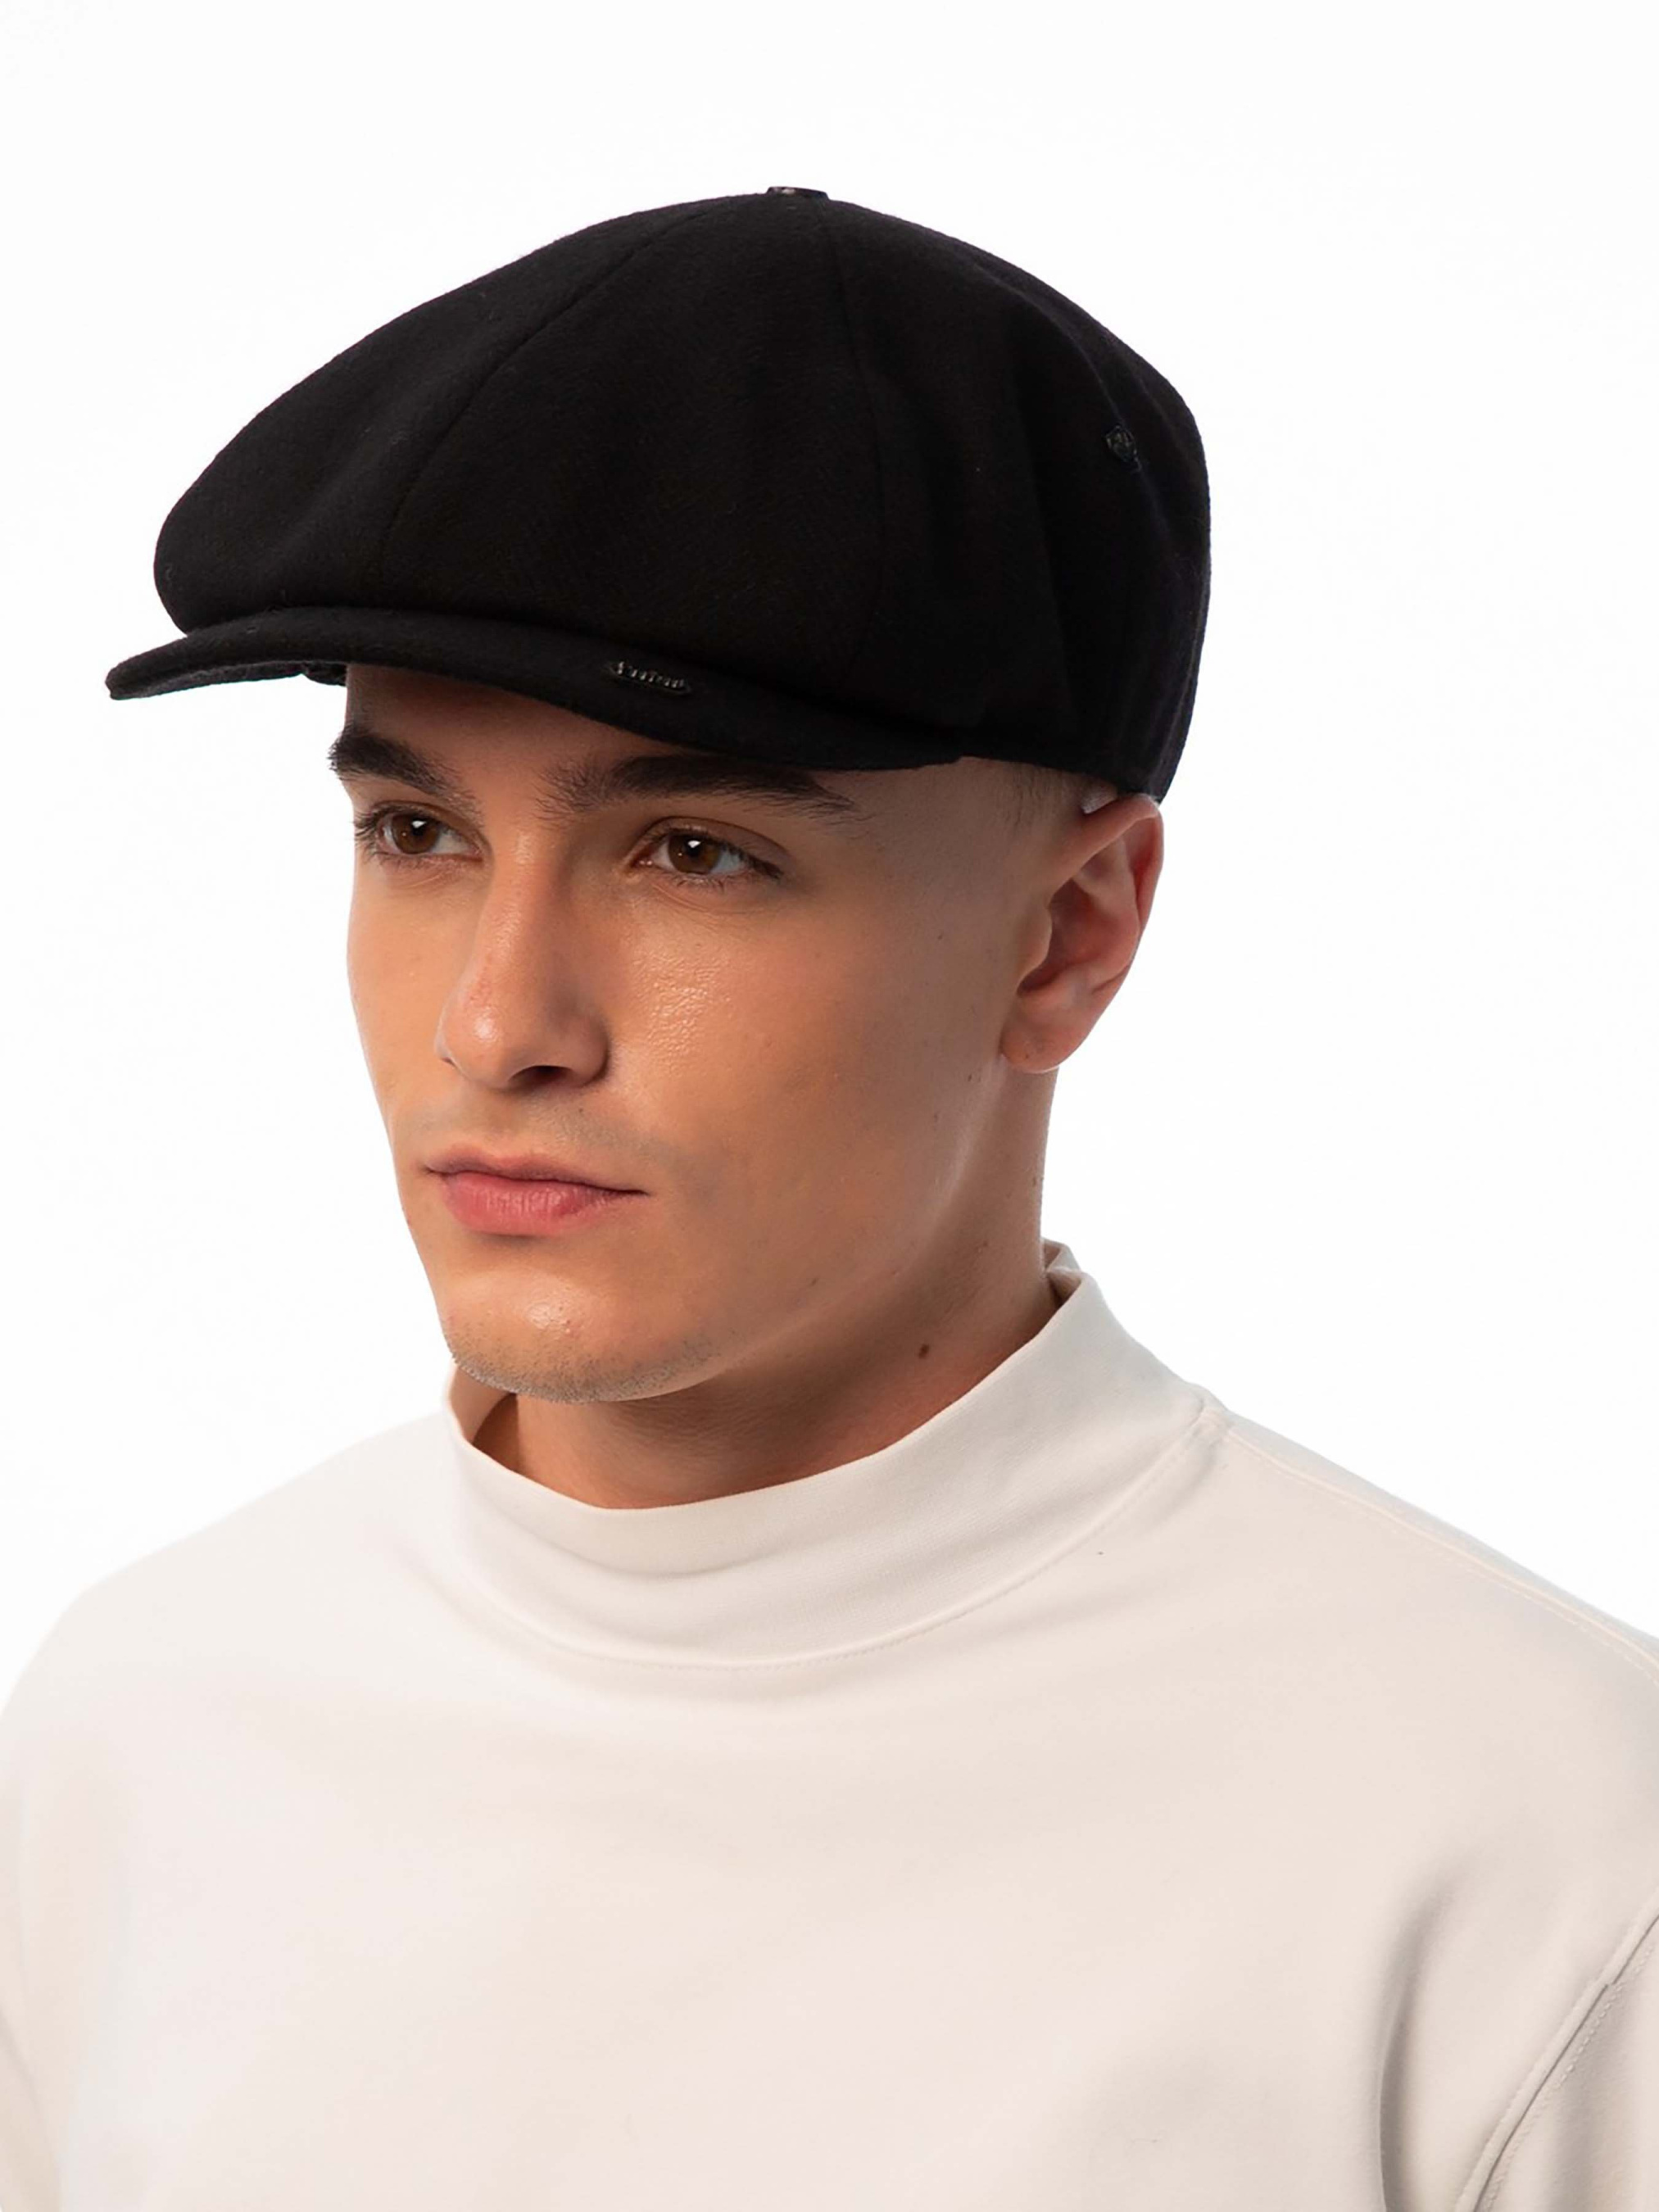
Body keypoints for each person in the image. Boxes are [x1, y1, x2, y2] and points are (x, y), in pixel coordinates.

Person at [1, 185, 1653, 2210]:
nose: (497, 1022)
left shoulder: (1540, 1858)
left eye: (693, 852)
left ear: (1065, 934)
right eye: (417, 830)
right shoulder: (143, 1730)